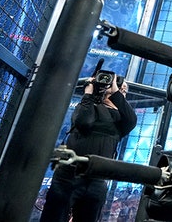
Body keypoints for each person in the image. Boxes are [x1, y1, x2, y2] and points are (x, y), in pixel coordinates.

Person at [41, 74, 137, 222]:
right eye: (119, 89)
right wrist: (88, 94)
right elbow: (83, 122)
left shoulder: (121, 121)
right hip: (68, 177)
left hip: (96, 180)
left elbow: (132, 120)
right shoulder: (87, 106)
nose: (121, 93)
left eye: (123, 91)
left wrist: (115, 92)